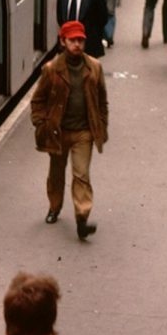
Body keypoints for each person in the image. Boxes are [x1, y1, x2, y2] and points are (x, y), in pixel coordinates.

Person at [30, 21, 108, 239]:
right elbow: (38, 101)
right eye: (73, 40)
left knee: (81, 174)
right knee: (56, 173)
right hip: (58, 132)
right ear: (63, 41)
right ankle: (54, 207)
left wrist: (101, 125)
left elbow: (102, 100)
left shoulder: (94, 67)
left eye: (80, 40)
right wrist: (41, 124)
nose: (77, 44)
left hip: (84, 132)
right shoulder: (51, 69)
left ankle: (82, 218)